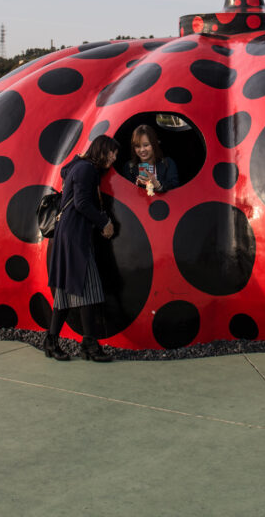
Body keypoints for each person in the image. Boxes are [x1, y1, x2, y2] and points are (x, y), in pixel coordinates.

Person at [45, 134, 120, 362]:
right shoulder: (87, 170)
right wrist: (104, 222)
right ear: (102, 150)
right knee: (88, 287)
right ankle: (89, 345)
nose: (114, 158)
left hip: (68, 233)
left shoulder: (79, 166)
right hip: (75, 235)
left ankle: (52, 341)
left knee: (68, 293)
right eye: (112, 153)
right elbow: (82, 203)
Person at [121, 124, 179, 195]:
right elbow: (126, 194)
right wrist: (137, 185)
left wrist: (157, 185)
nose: (142, 150)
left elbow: (175, 189)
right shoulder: (129, 167)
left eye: (146, 145)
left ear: (154, 144)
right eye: (137, 146)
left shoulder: (168, 163)